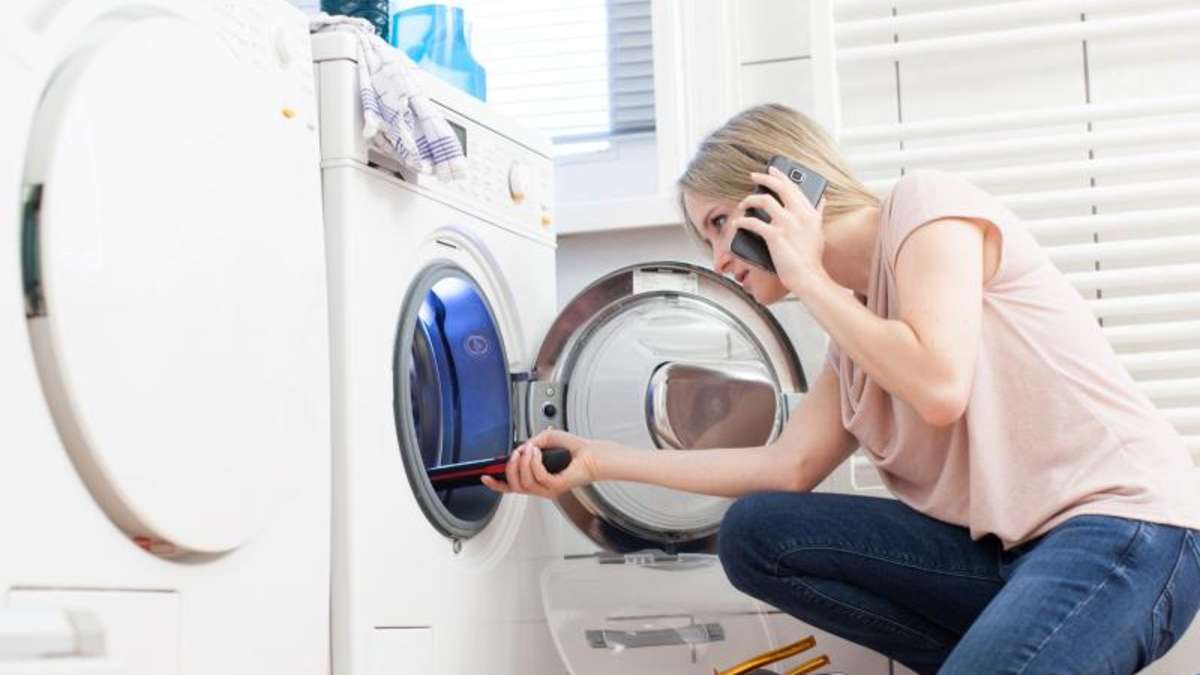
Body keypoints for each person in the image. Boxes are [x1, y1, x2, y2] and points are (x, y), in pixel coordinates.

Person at [482, 103, 1200, 674]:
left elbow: (940, 385)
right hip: (1015, 561)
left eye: (721, 224)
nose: (720, 258)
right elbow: (785, 467)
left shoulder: (928, 209)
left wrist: (807, 274)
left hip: (1127, 530)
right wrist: (599, 462)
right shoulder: (852, 341)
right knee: (756, 533)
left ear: (782, 191)